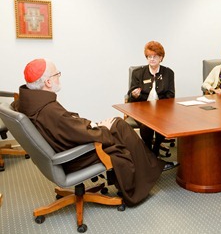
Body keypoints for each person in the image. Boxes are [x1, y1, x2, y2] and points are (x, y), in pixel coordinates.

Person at [12, 58, 176, 207]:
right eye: (57, 74)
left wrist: (93, 125)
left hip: (65, 147)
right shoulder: (48, 110)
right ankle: (147, 172)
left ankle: (150, 165)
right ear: (47, 82)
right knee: (118, 126)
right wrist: (101, 128)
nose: (59, 77)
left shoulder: (30, 101)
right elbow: (72, 129)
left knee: (117, 125)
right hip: (74, 156)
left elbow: (67, 126)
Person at [127, 41, 176, 158]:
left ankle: (156, 147)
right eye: (149, 56)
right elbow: (130, 96)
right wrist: (134, 95)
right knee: (146, 126)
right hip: (141, 109)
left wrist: (161, 107)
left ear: (161, 58)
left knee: (162, 123)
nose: (152, 59)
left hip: (161, 110)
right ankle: (148, 149)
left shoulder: (168, 73)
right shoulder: (138, 73)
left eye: (155, 56)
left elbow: (171, 94)